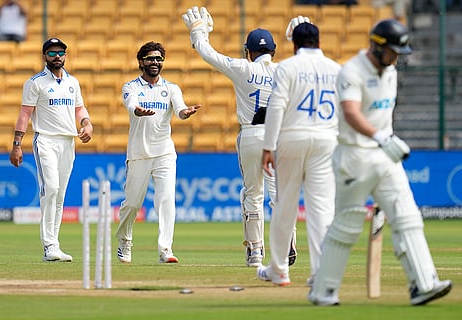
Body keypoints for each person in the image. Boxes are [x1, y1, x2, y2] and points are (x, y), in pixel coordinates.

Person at [308, 19, 452, 306]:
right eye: (393, 52)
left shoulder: (390, 71)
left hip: (385, 156)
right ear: (377, 46)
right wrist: (380, 137)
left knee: (407, 216)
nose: (397, 58)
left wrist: (386, 140)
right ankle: (324, 290)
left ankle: (423, 284)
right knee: (347, 224)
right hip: (355, 156)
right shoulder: (351, 71)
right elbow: (351, 112)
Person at [182, 6, 297, 267]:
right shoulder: (286, 71)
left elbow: (208, 54)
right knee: (279, 194)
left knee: (253, 194)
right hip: (279, 135)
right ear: (274, 51)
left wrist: (199, 32)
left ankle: (256, 251)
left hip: (251, 135)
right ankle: (286, 242)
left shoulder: (243, 68)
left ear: (249, 51)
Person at [255, 21, 341, 286]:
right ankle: (320, 273)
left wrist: (268, 146)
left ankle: (279, 270)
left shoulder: (288, 67)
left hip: (292, 138)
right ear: (319, 41)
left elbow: (277, 106)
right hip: (327, 140)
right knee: (322, 210)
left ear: (294, 43)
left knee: (285, 207)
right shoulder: (336, 70)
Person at [115, 41, 201, 264]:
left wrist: (185, 112)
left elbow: (180, 110)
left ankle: (166, 249)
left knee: (166, 200)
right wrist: (137, 110)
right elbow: (131, 104)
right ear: (141, 62)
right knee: (133, 203)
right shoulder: (131, 87)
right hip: (139, 153)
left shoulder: (171, 88)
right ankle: (124, 240)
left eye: (159, 59)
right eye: (150, 58)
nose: (155, 62)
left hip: (164, 152)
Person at [9, 37, 93, 262]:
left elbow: (79, 108)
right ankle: (49, 245)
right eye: (52, 53)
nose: (57, 57)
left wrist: (87, 123)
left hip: (68, 141)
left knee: (60, 194)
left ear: (65, 55)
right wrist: (17, 144)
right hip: (45, 140)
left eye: (60, 53)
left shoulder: (72, 82)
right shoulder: (35, 82)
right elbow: (25, 114)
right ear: (44, 56)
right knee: (51, 189)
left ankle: (54, 244)